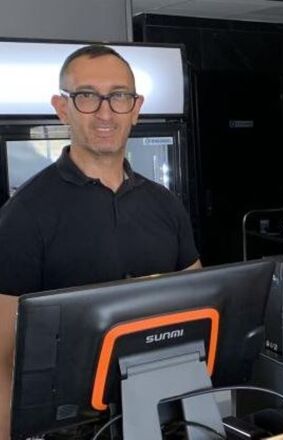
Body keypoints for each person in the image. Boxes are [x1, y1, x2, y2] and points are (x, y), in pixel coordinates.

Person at [0, 44, 201, 437]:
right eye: (87, 96)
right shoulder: (22, 216)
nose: (105, 112)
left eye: (119, 96)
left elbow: (199, 312)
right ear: (62, 108)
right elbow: (2, 360)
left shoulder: (165, 204)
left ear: (136, 108)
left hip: (164, 416)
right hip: (70, 429)